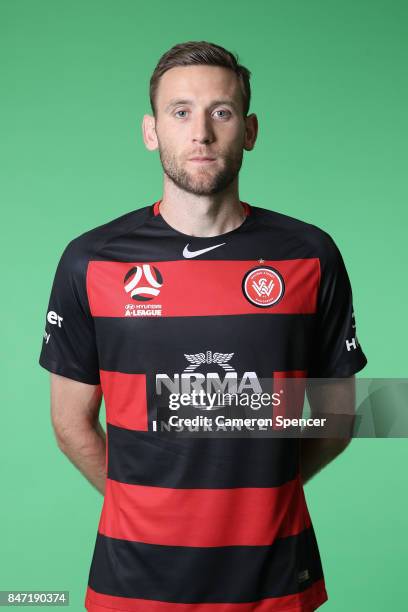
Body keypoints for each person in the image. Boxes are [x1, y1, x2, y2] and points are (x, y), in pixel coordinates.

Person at [39, 40, 367, 612]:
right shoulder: (91, 261)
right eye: (180, 111)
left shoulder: (311, 255)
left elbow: (337, 418)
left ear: (250, 129)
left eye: (222, 112)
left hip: (274, 584)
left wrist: (266, 496)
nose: (201, 133)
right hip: (134, 584)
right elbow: (71, 425)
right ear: (151, 131)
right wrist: (142, 505)